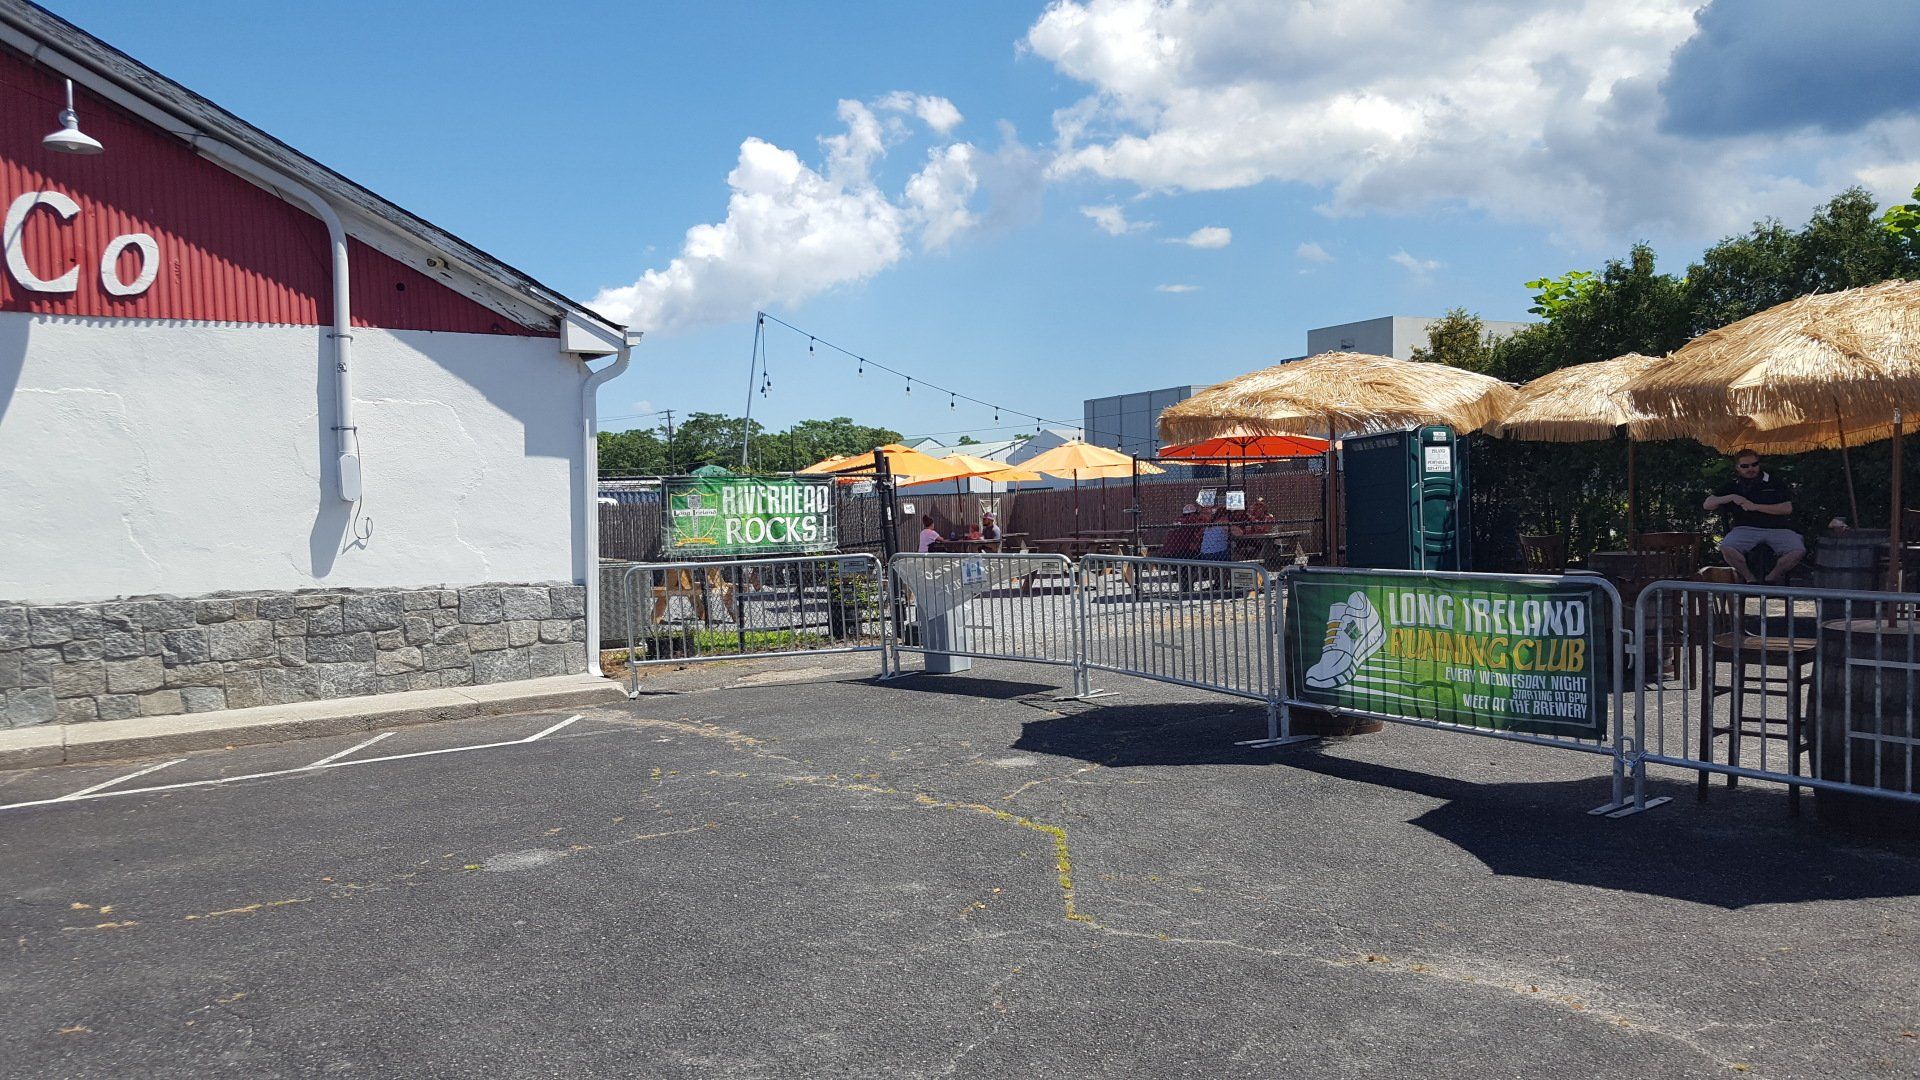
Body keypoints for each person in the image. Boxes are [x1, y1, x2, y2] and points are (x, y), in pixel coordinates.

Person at [1704, 449, 1804, 584]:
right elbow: (1708, 504)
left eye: (1754, 464)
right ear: (1737, 468)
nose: (1750, 468)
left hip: (1778, 529)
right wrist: (1732, 497)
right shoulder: (1733, 485)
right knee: (1727, 548)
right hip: (1744, 529)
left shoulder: (1775, 482)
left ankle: (1772, 578)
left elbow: (1787, 508)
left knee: (1798, 550)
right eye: (1745, 466)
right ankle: (1749, 578)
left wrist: (1756, 507)